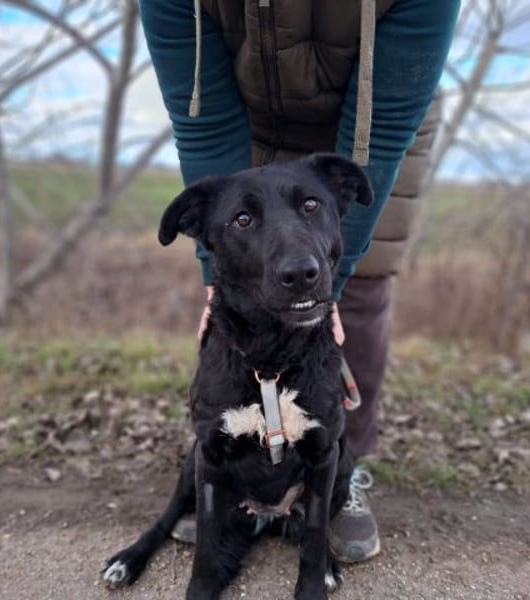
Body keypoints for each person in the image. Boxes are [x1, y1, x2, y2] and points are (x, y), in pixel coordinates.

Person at [139, 0, 460, 563]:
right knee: (250, 289)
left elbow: (377, 133)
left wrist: (329, 283)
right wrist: (217, 272)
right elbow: (204, 120)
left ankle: (338, 467)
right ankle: (239, 464)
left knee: (357, 289)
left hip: (372, 121)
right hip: (245, 115)